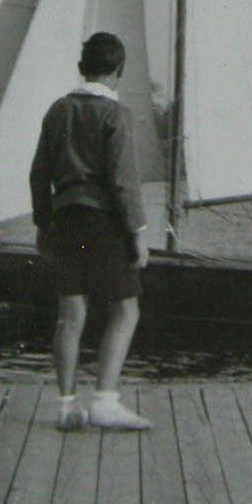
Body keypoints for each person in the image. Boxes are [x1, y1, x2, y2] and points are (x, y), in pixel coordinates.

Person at [30, 31, 151, 431]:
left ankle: (66, 407)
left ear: (82, 68)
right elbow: (123, 182)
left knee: (70, 315)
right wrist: (137, 232)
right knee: (126, 309)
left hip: (66, 220)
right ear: (119, 70)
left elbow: (38, 175)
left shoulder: (57, 111)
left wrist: (43, 225)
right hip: (103, 223)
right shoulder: (116, 115)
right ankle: (104, 401)